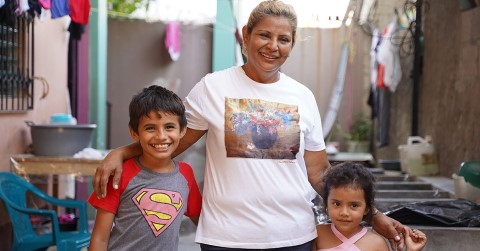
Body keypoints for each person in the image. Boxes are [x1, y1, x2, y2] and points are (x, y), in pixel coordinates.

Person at [93, 1, 407, 250]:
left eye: (283, 39)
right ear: (246, 35)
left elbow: (320, 174)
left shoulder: (303, 96)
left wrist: (372, 215)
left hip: (293, 237)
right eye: (264, 35)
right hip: (225, 239)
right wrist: (120, 153)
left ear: (291, 44)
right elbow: (172, 143)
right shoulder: (212, 88)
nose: (273, 46)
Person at [88, 85, 202, 251]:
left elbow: (203, 221)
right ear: (134, 133)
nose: (161, 136)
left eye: (169, 127)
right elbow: (99, 239)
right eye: (150, 128)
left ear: (183, 130)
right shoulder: (119, 173)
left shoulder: (186, 174)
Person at [313, 162, 427, 251]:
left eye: (354, 205)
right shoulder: (318, 234)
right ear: (326, 203)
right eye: (337, 204)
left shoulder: (376, 243)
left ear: (367, 208)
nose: (344, 212)